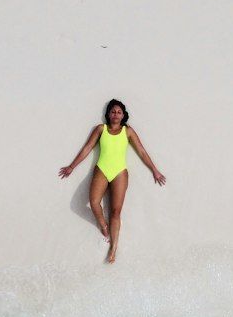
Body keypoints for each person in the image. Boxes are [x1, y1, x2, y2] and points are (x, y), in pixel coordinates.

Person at [58, 99, 166, 263]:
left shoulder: (128, 131)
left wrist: (155, 170)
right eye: (113, 112)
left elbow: (142, 152)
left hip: (120, 173)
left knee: (115, 212)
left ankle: (113, 250)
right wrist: (72, 166)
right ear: (108, 114)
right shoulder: (101, 129)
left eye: (119, 112)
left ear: (123, 115)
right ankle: (104, 226)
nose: (116, 115)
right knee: (94, 202)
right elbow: (87, 148)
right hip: (102, 169)